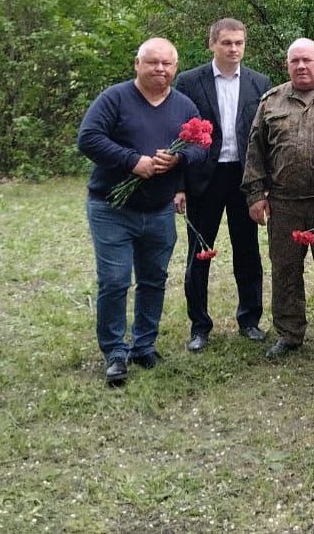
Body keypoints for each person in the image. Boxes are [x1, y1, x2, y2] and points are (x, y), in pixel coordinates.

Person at [77, 38, 205, 387]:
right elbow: (88, 138)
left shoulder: (183, 105)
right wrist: (133, 162)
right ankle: (115, 352)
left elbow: (200, 147)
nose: (160, 69)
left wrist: (178, 159)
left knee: (153, 279)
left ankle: (144, 344)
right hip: (112, 207)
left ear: (175, 68)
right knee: (116, 281)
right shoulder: (115, 98)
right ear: (137, 64)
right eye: (153, 63)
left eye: (167, 64)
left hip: (159, 210)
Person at [242, 38, 314, 360]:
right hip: (284, 203)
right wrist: (255, 194)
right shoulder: (271, 102)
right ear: (287, 65)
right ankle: (289, 333)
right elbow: (255, 151)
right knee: (285, 269)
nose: (301, 66)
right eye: (295, 61)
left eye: (307, 60)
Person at [173, 18, 272, 352]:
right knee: (199, 253)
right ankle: (199, 326)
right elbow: (179, 135)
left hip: (244, 178)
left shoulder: (260, 83)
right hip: (204, 177)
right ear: (212, 43)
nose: (234, 49)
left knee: (248, 252)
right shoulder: (189, 82)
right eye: (227, 43)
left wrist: (263, 185)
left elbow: (265, 138)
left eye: (239, 43)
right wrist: (180, 184)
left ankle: (249, 319)